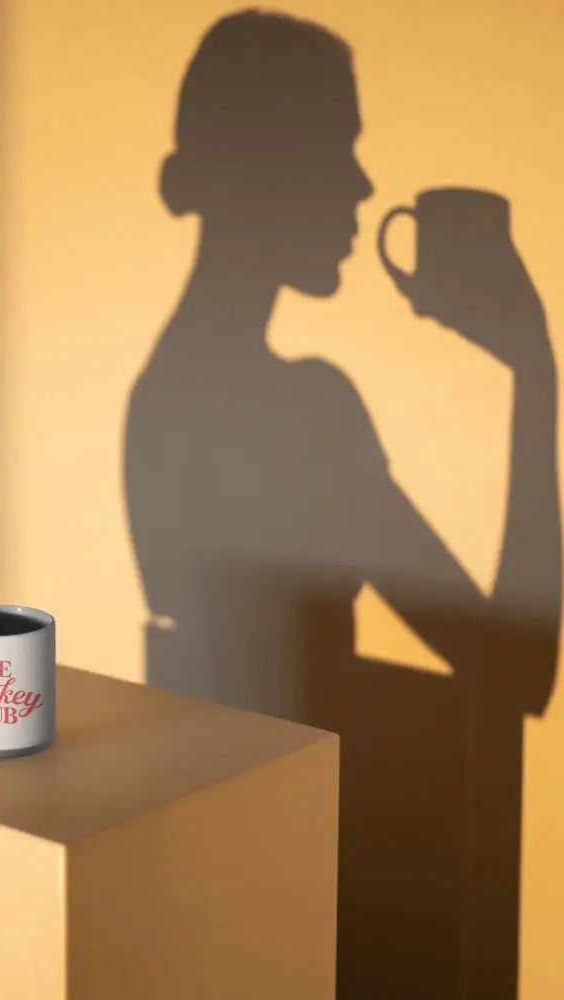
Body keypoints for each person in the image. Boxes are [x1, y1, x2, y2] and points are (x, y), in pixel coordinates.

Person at [124, 10, 560, 997]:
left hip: (240, 890)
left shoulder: (157, 394)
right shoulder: (298, 406)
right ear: (264, 167)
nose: (363, 186)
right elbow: (517, 662)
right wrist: (532, 366)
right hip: (348, 897)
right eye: (340, 147)